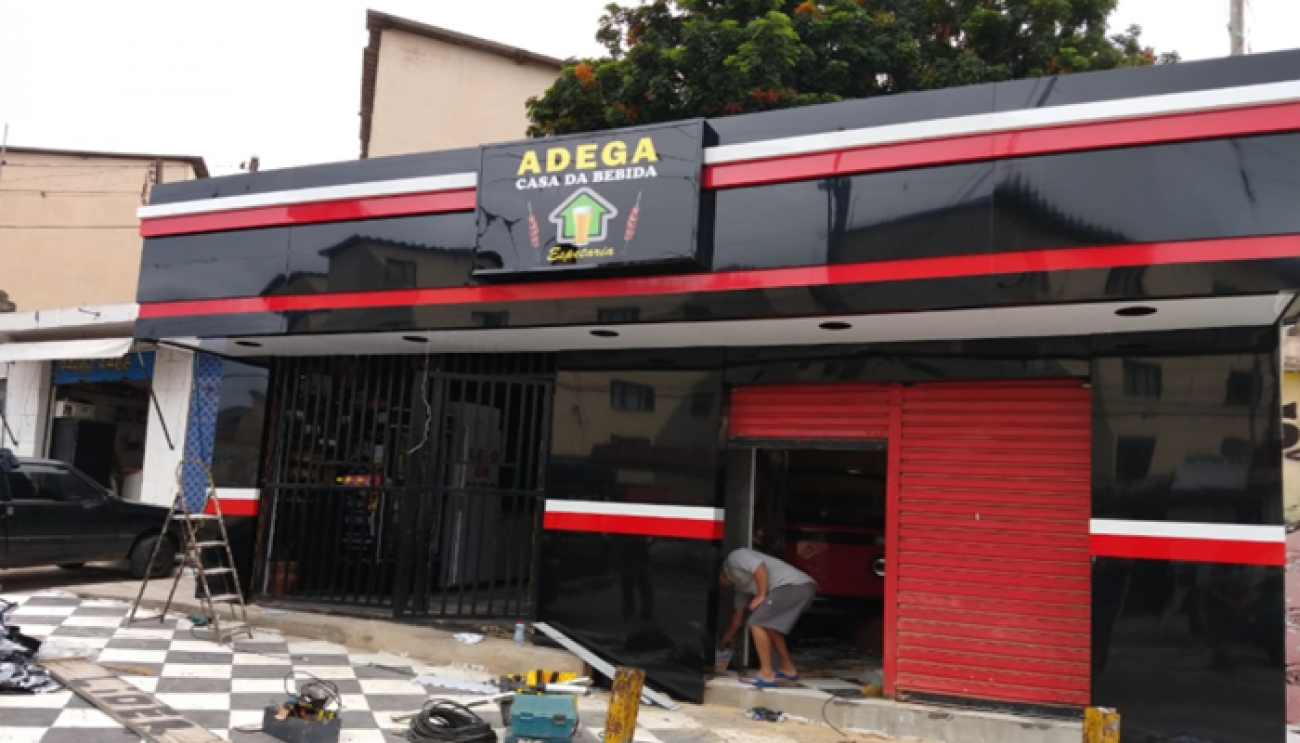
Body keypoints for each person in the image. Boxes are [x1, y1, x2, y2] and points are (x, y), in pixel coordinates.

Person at [719, 547, 816, 687]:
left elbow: (759, 567)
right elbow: (738, 615)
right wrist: (729, 635)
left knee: (756, 623)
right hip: (796, 587)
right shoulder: (739, 586)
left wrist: (760, 595)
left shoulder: (735, 557)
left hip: (794, 585)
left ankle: (766, 674)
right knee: (770, 627)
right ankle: (787, 668)